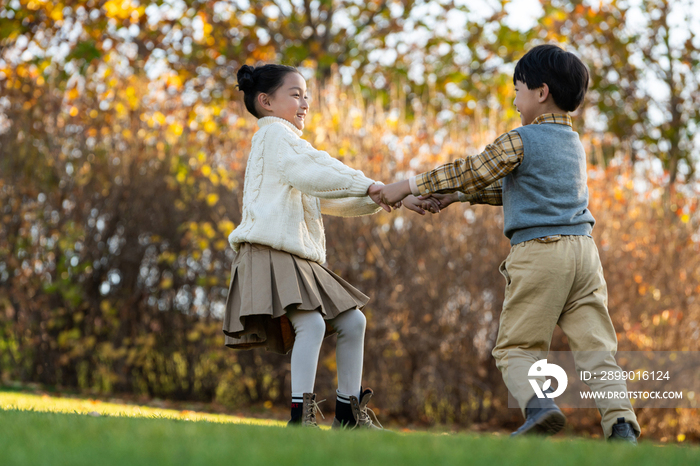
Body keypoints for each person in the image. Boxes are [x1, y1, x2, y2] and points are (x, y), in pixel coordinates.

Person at [376, 44, 640, 443]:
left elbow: (473, 169)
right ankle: (621, 426)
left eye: (517, 90)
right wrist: (458, 197)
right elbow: (519, 189)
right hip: (584, 256)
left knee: (516, 348)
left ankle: (539, 406)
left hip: (541, 254)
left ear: (540, 92)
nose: (515, 101)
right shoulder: (573, 145)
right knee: (597, 350)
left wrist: (406, 185)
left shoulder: (522, 140)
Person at [225, 63, 438, 429]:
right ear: (266, 101)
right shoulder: (275, 137)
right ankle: (300, 418)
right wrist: (374, 187)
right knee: (311, 324)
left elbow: (327, 194)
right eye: (295, 94)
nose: (305, 102)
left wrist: (389, 197)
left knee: (353, 321)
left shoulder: (286, 145)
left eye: (306, 95)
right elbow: (319, 170)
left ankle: (347, 415)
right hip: (271, 252)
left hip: (294, 256)